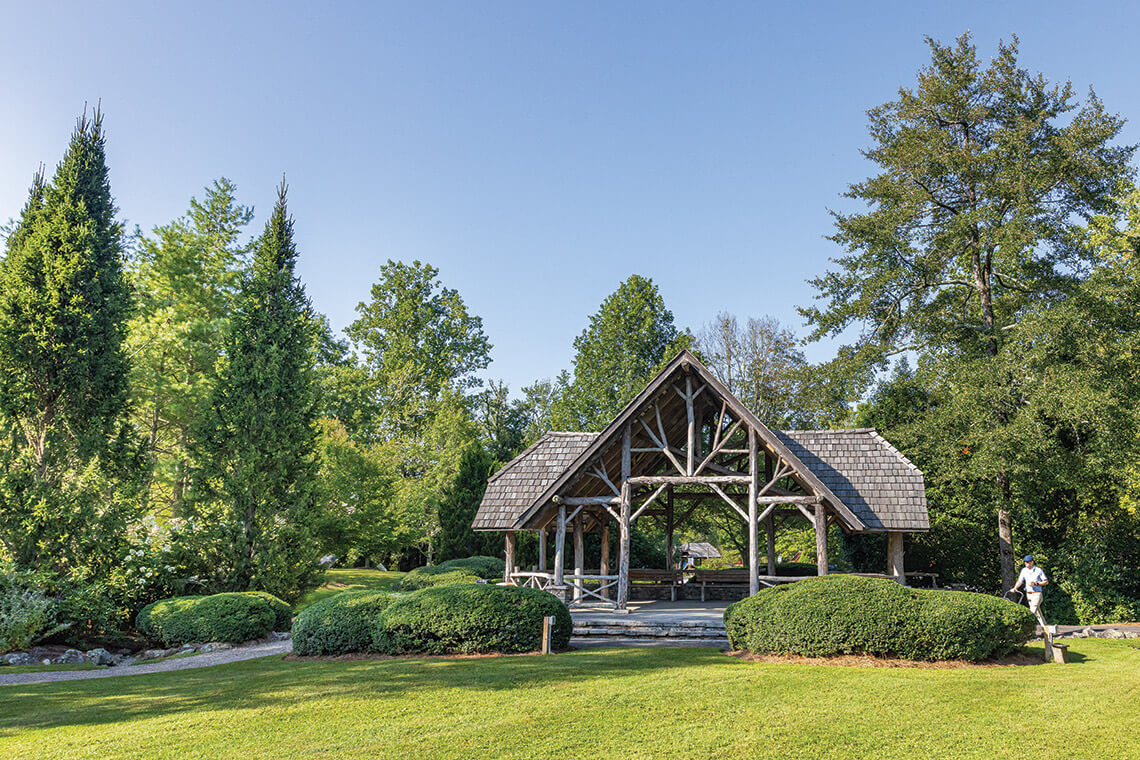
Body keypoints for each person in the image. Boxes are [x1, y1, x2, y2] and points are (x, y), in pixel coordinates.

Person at [1011, 555, 1049, 626]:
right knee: (1037, 613)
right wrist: (1015, 588)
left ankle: (1025, 627)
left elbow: (1046, 582)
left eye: (1027, 562)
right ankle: (1046, 630)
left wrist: (1036, 583)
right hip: (1028, 594)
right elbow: (1020, 581)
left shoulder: (1038, 570)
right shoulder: (1024, 571)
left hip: (1037, 594)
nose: (1026, 563)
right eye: (1025, 562)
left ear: (1032, 562)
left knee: (1032, 611)